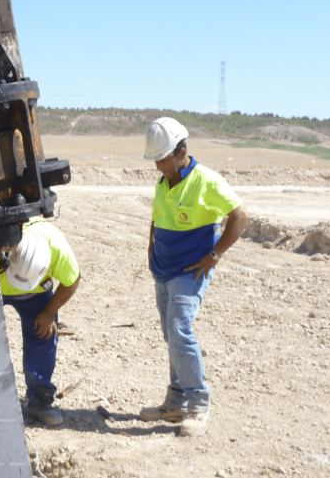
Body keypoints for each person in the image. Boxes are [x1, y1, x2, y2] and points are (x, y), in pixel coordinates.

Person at [140, 117, 250, 437]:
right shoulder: (163, 182)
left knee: (179, 329)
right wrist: (150, 248)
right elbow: (156, 219)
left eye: (162, 159)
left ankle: (199, 405)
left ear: (181, 151)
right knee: (170, 334)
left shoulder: (206, 180)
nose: (158, 166)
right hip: (163, 269)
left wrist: (214, 256)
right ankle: (175, 403)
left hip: (190, 272)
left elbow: (240, 215)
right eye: (156, 160)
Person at [0, 217, 81, 427]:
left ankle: (40, 399)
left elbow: (72, 280)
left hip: (36, 294)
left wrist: (49, 312)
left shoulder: (57, 248)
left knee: (44, 333)